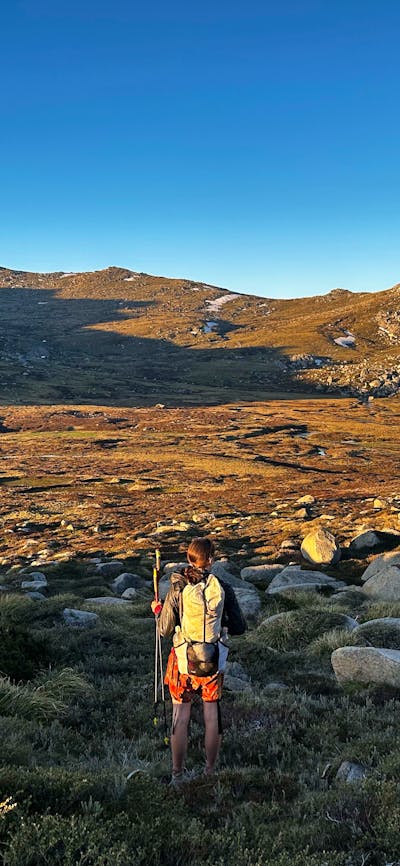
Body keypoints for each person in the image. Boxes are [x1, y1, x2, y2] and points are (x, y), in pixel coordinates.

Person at [152, 537, 246, 785]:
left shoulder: (178, 588)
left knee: (180, 716)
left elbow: (164, 630)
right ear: (212, 560)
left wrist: (158, 610)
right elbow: (239, 627)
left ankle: (177, 774)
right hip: (213, 662)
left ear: (189, 559)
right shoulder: (223, 587)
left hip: (182, 662)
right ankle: (210, 771)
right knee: (211, 716)